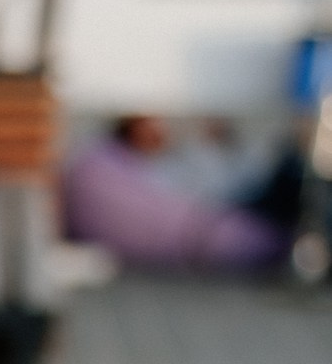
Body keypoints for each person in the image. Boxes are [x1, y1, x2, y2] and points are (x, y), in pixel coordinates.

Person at [61, 113, 291, 273]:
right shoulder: (102, 168)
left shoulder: (97, 161)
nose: (164, 130)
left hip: (216, 232)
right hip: (222, 236)